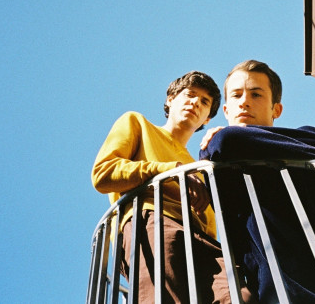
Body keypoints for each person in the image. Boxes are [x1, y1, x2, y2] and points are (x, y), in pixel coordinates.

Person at [199, 60, 315, 303]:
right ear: (226, 110)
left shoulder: (299, 143)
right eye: (236, 95)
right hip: (278, 288)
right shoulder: (214, 149)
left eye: (256, 94)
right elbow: (227, 141)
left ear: (276, 110)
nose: (244, 101)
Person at [91, 71, 251, 304]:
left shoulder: (199, 166)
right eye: (190, 94)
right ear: (170, 99)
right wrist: (170, 171)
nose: (195, 102)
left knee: (241, 297)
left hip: (203, 242)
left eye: (204, 102)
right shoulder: (137, 123)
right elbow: (103, 174)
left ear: (207, 118)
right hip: (154, 222)